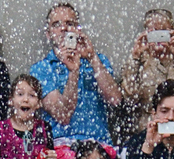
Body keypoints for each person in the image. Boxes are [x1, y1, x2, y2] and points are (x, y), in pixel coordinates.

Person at [30, 3, 121, 145]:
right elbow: (63, 116)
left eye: (69, 23)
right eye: (56, 24)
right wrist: (74, 71)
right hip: (62, 145)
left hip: (99, 144)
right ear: (48, 35)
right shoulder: (41, 69)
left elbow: (115, 100)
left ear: (78, 30)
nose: (63, 28)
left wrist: (92, 58)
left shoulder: (98, 60)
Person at [119, 7, 174, 143]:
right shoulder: (139, 63)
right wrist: (135, 57)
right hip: (147, 133)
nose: (158, 36)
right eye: (153, 31)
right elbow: (130, 97)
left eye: (163, 31)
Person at [0, 74, 53, 159]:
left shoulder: (44, 128)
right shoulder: (0, 129)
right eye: (20, 94)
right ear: (11, 100)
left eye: (32, 95)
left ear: (39, 103)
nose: (25, 99)